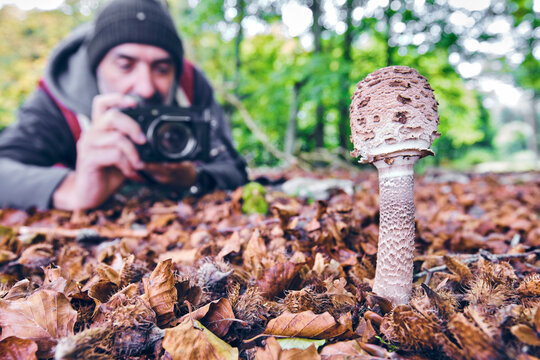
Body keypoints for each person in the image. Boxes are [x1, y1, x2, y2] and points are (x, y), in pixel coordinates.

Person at [0, 0, 248, 210]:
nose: (146, 87)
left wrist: (192, 178)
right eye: (125, 65)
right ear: (97, 66)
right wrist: (72, 189)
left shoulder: (191, 85)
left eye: (161, 69)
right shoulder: (58, 98)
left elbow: (233, 168)